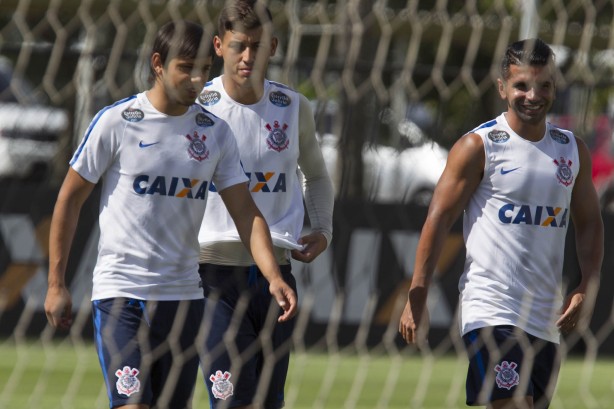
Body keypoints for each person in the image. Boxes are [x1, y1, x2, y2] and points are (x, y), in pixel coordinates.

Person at [44, 20, 297, 409]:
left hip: (183, 298)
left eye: (204, 70)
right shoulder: (117, 121)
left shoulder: (215, 133)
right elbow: (69, 200)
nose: (197, 79)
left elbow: (246, 213)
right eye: (186, 67)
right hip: (121, 293)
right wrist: (56, 283)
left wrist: (274, 276)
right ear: (158, 63)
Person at [399, 38, 603, 409]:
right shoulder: (479, 146)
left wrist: (586, 283)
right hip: (492, 308)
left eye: (543, 85)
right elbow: (439, 218)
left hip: (545, 316)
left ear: (555, 87)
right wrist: (418, 292)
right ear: (502, 87)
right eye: (521, 85)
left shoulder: (571, 151)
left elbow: (589, 222)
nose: (532, 95)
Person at [195, 1, 334, 408]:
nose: (248, 56)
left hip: (277, 277)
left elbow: (318, 175)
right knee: (231, 401)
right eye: (239, 45)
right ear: (219, 46)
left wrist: (323, 228)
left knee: (268, 401)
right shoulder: (198, 107)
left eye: (257, 45)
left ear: (273, 46)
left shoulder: (293, 107)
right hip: (211, 277)